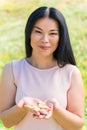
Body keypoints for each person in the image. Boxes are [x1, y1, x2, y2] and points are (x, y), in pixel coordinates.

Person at [0, 6, 85, 130]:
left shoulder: (71, 73)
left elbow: (77, 125)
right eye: (38, 32)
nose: (45, 40)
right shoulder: (12, 69)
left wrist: (56, 110)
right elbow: (6, 122)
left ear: (61, 37)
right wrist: (22, 107)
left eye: (53, 33)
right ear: (29, 34)